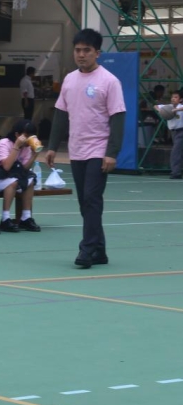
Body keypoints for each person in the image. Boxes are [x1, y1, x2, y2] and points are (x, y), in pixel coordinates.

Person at [46, 28, 126, 269]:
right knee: (85, 202)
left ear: (97, 53)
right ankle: (99, 250)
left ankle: (87, 249)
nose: (81, 55)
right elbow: (61, 114)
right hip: (76, 149)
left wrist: (111, 152)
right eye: (77, 50)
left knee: (91, 199)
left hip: (99, 150)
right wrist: (52, 147)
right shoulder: (69, 80)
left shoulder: (109, 81)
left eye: (86, 50)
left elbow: (118, 118)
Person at [0, 119, 42, 233]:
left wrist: (34, 155)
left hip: (12, 175)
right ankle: (5, 218)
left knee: (30, 180)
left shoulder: (26, 147)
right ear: (17, 135)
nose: (29, 139)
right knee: (14, 181)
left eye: (32, 136)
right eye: (26, 135)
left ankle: (26, 217)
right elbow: (6, 166)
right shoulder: (3, 144)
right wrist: (16, 146)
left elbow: (24, 169)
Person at [157, 90, 183, 179]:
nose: (173, 99)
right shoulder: (167, 107)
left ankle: (176, 173)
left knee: (175, 152)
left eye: (176, 97)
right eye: (172, 97)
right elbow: (155, 106)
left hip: (181, 131)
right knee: (179, 152)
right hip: (173, 132)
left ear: (181, 99)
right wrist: (160, 110)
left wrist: (176, 110)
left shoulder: (180, 106)